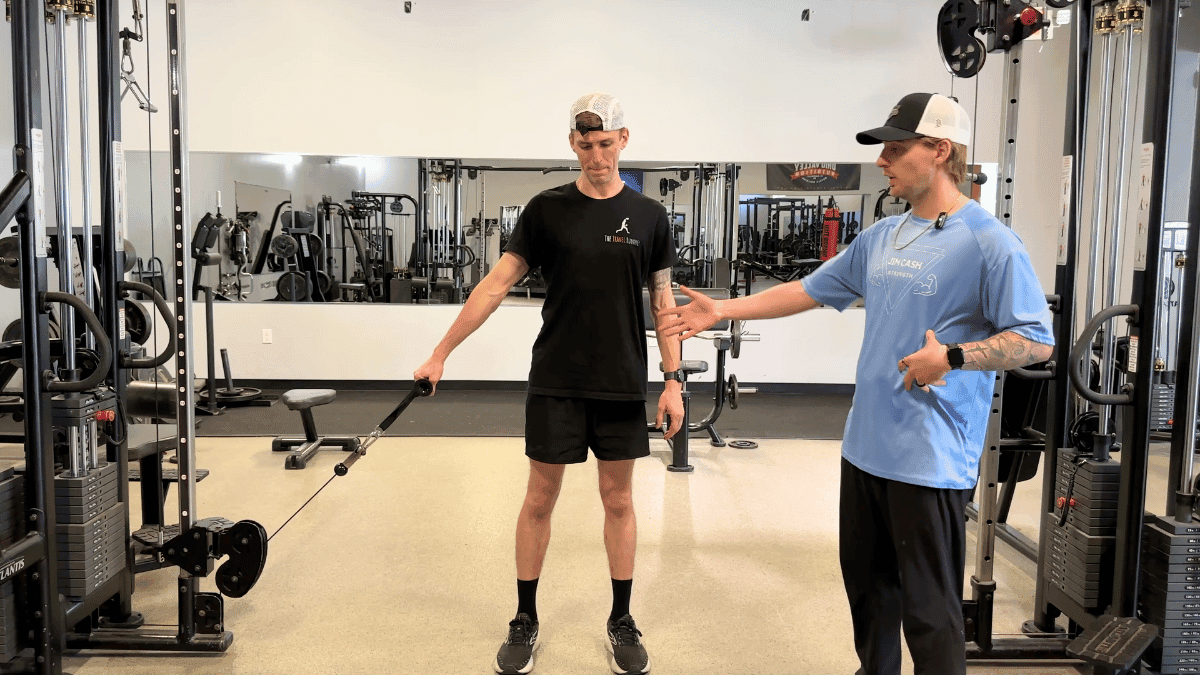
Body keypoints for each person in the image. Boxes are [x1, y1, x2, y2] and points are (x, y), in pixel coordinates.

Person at [657, 93, 1055, 675]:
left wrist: (952, 356)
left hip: (930, 459)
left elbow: (1035, 339)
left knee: (929, 613)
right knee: (869, 604)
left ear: (941, 150)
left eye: (896, 149)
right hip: (864, 451)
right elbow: (810, 289)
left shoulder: (988, 241)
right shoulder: (883, 236)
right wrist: (723, 310)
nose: (883, 161)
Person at [414, 92, 680, 675]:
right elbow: (493, 285)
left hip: (620, 382)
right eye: (586, 145)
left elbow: (663, 302)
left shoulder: (652, 217)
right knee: (539, 500)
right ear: (572, 145)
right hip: (556, 379)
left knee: (618, 500)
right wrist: (441, 352)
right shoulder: (545, 210)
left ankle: (621, 618)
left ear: (624, 140)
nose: (597, 156)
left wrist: (673, 380)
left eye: (606, 144)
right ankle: (525, 618)